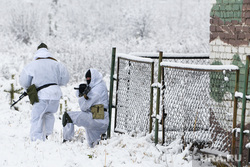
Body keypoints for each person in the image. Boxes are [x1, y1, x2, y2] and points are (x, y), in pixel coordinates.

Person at [19, 43, 70, 141]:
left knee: (37, 117)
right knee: (49, 114)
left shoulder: (32, 65)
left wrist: (29, 88)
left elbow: (24, 82)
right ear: (47, 51)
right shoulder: (57, 64)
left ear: (37, 51)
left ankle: (36, 140)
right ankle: (48, 135)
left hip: (41, 95)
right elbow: (65, 80)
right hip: (55, 94)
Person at [62, 68, 109, 147]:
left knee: (67, 116)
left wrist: (83, 94)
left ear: (94, 78)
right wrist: (82, 92)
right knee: (95, 146)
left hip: (97, 117)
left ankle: (67, 142)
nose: (88, 81)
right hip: (98, 117)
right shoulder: (98, 86)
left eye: (89, 79)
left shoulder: (97, 89)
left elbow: (83, 107)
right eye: (87, 79)